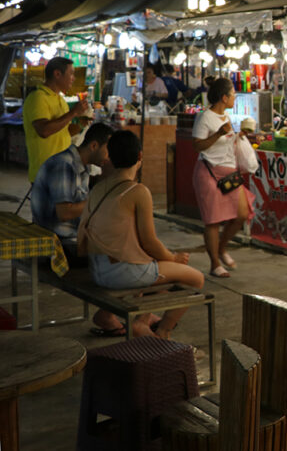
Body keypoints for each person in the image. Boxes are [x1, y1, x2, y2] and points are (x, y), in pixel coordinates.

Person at [77, 130, 204, 339]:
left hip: (98, 269)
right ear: (140, 157)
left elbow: (140, 244)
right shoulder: (138, 191)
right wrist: (174, 258)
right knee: (195, 279)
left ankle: (140, 321)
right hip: (122, 273)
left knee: (162, 269)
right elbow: (149, 243)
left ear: (110, 157)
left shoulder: (98, 188)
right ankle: (163, 332)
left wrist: (167, 259)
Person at [191, 77, 255, 278]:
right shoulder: (204, 117)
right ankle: (214, 264)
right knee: (213, 221)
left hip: (228, 173)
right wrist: (218, 133)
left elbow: (227, 142)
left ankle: (222, 247)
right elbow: (197, 145)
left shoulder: (226, 117)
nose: (235, 97)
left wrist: (240, 136)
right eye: (233, 94)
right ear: (224, 97)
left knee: (242, 215)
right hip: (208, 172)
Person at [32, 122, 115, 260]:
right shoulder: (64, 164)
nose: (109, 158)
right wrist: (100, 200)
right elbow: (65, 212)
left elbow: (80, 190)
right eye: (108, 152)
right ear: (94, 146)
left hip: (69, 236)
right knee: (119, 253)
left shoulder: (81, 166)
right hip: (57, 243)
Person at [24, 57, 90, 183]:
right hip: (46, 172)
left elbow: (63, 131)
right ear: (57, 74)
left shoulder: (60, 100)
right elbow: (44, 130)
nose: (73, 78)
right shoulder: (38, 98)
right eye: (71, 73)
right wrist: (73, 112)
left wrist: (82, 124)